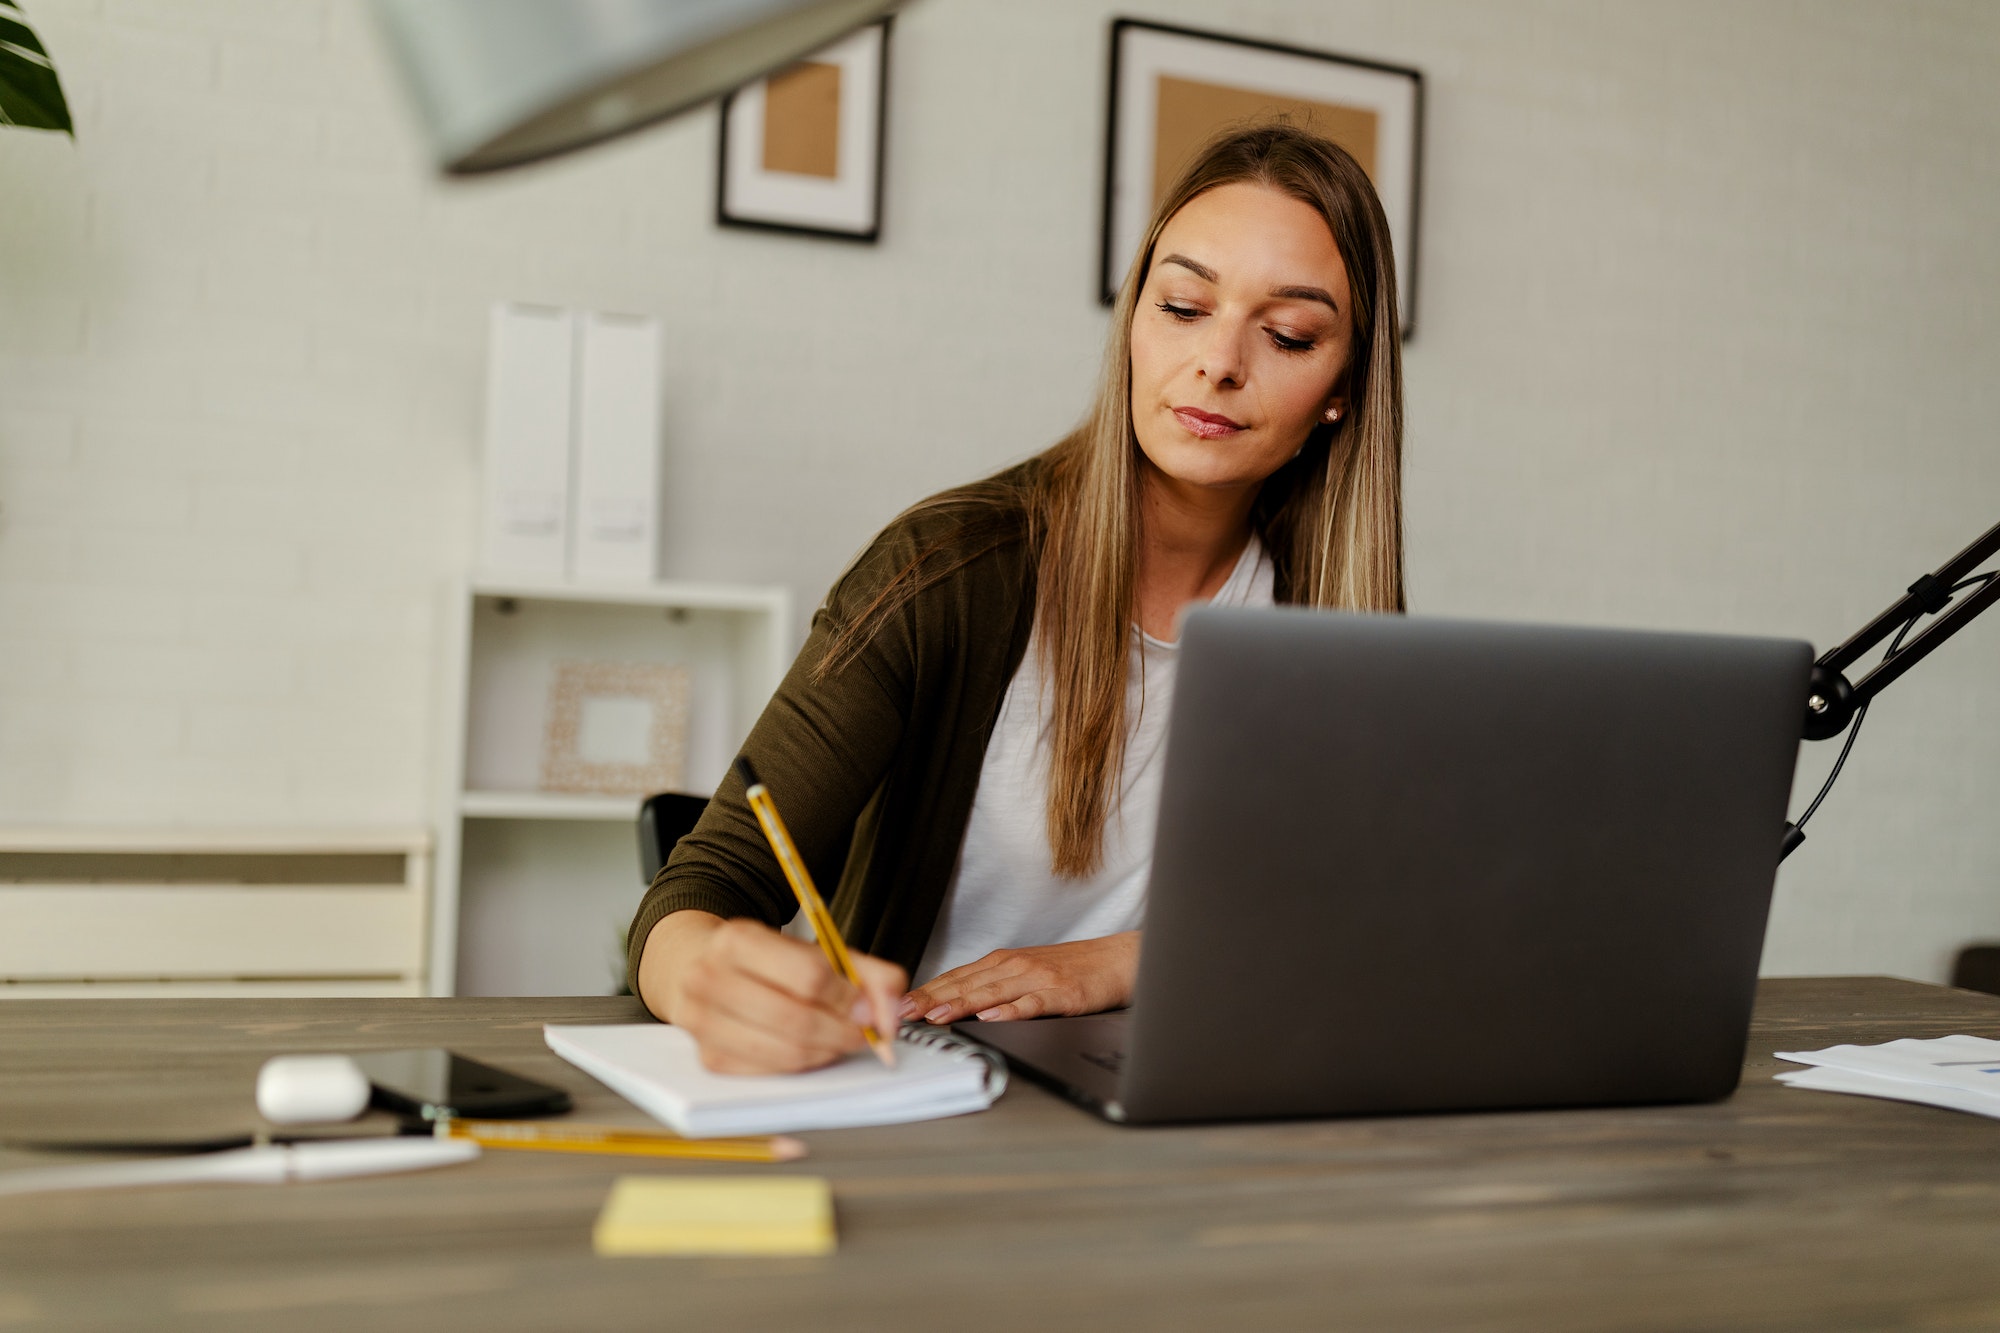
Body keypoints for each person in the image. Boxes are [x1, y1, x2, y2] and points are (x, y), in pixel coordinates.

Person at [628, 122, 1405, 1075]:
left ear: (1341, 388)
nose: (1220, 362)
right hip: (930, 1084)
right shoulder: (945, 570)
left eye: (1287, 334)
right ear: (1134, 324)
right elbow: (697, 890)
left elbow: (1363, 930)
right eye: (1182, 306)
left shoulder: (1344, 625)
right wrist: (704, 971)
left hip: (1189, 1100)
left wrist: (1123, 964)